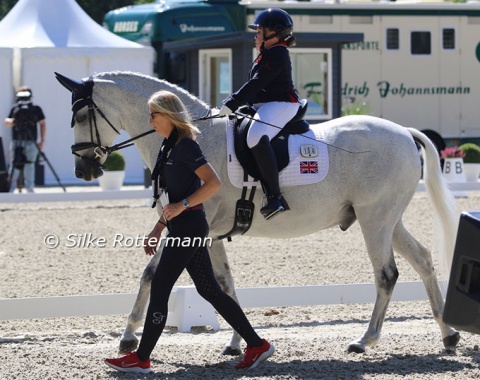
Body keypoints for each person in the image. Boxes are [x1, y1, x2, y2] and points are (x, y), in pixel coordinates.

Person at [105, 90, 274, 374]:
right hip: (181, 227)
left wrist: (182, 206)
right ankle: (257, 345)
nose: (150, 120)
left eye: (153, 115)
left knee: (160, 287)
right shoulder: (166, 145)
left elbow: (213, 183)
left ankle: (141, 358)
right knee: (209, 290)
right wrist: (158, 227)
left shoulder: (186, 146)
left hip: (189, 227)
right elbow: (170, 194)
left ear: (169, 115)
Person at [219, 8, 300, 219]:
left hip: (282, 104)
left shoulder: (278, 53)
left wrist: (231, 103)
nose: (256, 36)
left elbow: (256, 84)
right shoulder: (267, 53)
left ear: (272, 33)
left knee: (255, 136)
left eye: (259, 31)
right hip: (265, 104)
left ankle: (275, 197)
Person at [4, 86, 46, 193]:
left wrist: (42, 141)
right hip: (16, 140)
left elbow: (42, 124)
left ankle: (30, 188)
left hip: (31, 141)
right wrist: (16, 121)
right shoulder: (15, 108)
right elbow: (7, 121)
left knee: (30, 164)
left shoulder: (36, 109)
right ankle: (11, 188)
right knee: (14, 164)